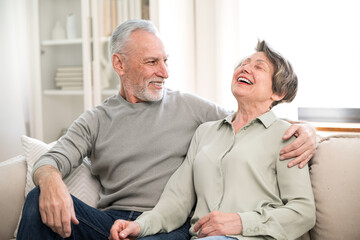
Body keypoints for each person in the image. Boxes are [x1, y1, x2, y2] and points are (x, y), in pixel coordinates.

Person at [17, 20, 316, 240]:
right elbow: (52, 159)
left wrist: (307, 131)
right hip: (112, 223)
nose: (165, 72)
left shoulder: (190, 108)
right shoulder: (95, 119)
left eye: (165, 61)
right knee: (35, 201)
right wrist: (51, 181)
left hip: (170, 226)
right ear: (119, 64)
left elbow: (250, 121)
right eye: (152, 62)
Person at [109, 40, 316, 240]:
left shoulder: (288, 136)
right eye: (244, 64)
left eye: (258, 67)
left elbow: (303, 212)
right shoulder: (205, 133)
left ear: (279, 92)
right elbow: (176, 201)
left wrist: (240, 222)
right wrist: (140, 225)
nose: (245, 69)